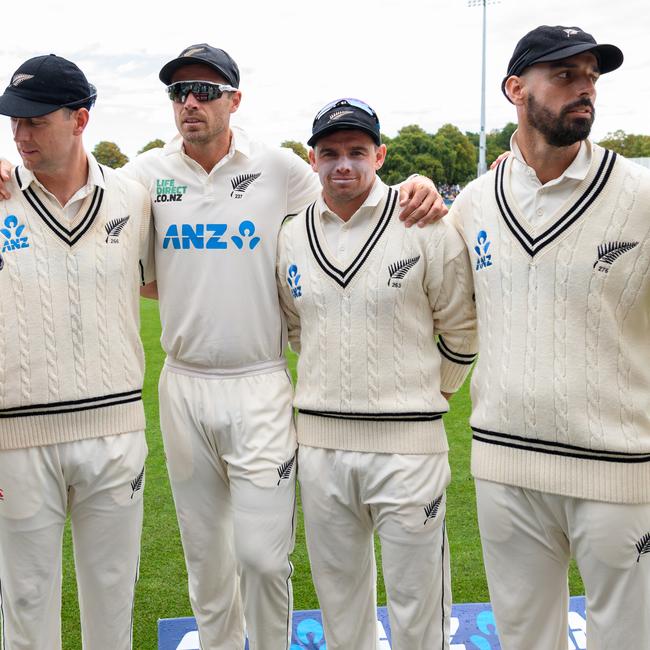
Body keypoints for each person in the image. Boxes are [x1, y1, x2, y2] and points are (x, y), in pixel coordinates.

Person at [116, 45, 446, 649]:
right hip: (183, 382)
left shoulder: (277, 166)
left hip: (260, 381)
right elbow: (93, 211)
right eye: (179, 91)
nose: (191, 101)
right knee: (206, 561)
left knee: (264, 560)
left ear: (235, 101)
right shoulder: (145, 173)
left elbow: (348, 190)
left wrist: (416, 186)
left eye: (207, 91)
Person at [450, 25, 650, 650]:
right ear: (516, 88)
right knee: (523, 640)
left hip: (619, 469)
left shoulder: (640, 196)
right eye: (564, 76)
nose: (584, 90)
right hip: (505, 466)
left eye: (589, 77)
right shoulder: (475, 204)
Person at [276, 99, 477, 649]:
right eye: (331, 153)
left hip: (409, 449)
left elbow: (462, 327)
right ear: (311, 158)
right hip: (320, 447)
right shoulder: (290, 234)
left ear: (380, 155)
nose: (344, 165)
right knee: (340, 600)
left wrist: (433, 391)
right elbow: (298, 326)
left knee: (418, 604)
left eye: (357, 153)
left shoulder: (424, 223)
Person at [0, 55, 153, 650]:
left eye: (36, 120)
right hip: (17, 437)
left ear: (80, 118)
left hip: (115, 432)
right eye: (14, 121)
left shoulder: (134, 199)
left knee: (112, 598)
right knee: (26, 602)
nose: (21, 133)